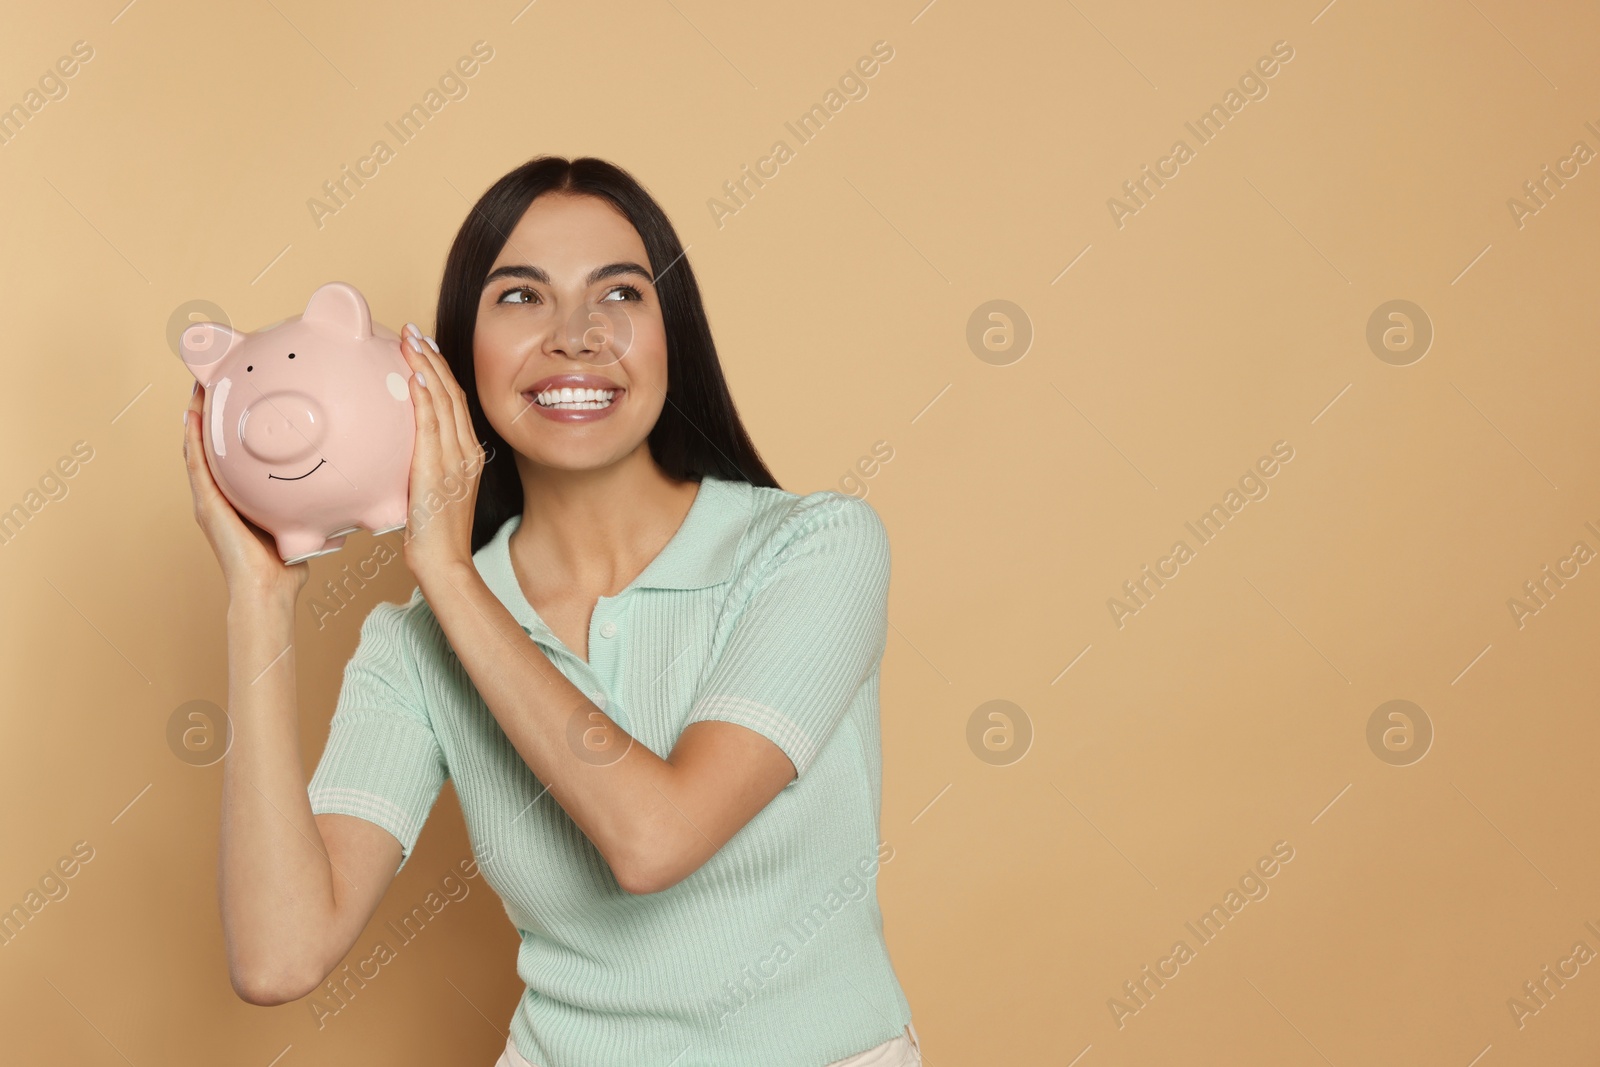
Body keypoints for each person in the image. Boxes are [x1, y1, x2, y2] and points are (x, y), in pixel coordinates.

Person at [183, 155, 921, 1067]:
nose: (576, 336)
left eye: (619, 293)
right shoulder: (417, 646)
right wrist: (257, 596)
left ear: (672, 334)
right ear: (451, 357)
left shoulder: (814, 548)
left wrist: (449, 574)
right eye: (521, 297)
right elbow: (278, 955)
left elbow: (655, 839)